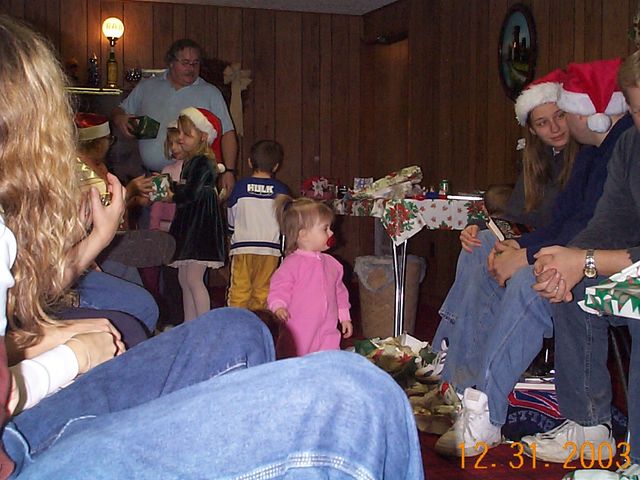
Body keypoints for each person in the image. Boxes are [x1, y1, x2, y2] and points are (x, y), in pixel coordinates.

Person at [0, 15, 424, 479]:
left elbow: (21, 307)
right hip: (20, 448)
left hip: (25, 411)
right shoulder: (157, 108)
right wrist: (71, 356)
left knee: (240, 325)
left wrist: (43, 330)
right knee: (365, 393)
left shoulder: (207, 135)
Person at [432, 60, 632, 458]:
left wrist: (528, 255)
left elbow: (594, 229)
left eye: (563, 113)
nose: (559, 124)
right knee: (485, 251)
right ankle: (457, 381)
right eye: (544, 121)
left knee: (531, 278)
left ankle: (487, 408)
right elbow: (561, 223)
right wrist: (514, 245)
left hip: (610, 262)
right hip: (582, 251)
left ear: (587, 114)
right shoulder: (594, 152)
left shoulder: (614, 147)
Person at [521, 52, 640, 476]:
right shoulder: (630, 144)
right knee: (574, 289)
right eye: (637, 109)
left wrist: (585, 259)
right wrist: (565, 262)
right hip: (631, 265)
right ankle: (590, 427)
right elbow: (608, 222)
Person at [459, 68, 576, 253]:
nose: (555, 128)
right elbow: (515, 215)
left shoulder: (587, 155)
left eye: (560, 116)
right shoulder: (537, 160)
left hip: (565, 246)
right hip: (534, 239)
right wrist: (478, 225)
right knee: (478, 240)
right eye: (542, 123)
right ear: (532, 130)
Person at [111, 38, 237, 197]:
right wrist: (120, 118)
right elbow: (119, 110)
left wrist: (229, 171)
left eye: (195, 63)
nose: (191, 68)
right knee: (157, 212)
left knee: (185, 212)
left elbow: (228, 133)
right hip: (152, 177)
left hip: (192, 181)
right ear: (171, 63)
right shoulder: (147, 87)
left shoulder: (211, 93)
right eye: (185, 63)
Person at [267, 196, 353, 358]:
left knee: (329, 358)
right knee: (296, 358)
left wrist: (344, 317)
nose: (331, 233)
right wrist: (278, 305)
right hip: (299, 329)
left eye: (330, 228)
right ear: (303, 235)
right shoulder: (292, 264)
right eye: (325, 229)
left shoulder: (333, 264)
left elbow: (340, 293)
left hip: (328, 329)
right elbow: (279, 287)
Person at [166, 107, 227, 321]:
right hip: (190, 221)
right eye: (180, 132)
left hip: (200, 225)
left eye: (187, 134)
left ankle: (203, 324)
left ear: (203, 136)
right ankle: (190, 324)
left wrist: (172, 193)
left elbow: (191, 192)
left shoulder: (203, 162)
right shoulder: (191, 161)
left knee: (193, 278)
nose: (181, 138)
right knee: (185, 278)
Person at [226, 140, 289, 309]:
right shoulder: (281, 190)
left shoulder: (240, 187)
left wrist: (231, 231)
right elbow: (285, 220)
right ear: (276, 166)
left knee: (239, 290)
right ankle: (259, 321)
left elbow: (231, 216)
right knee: (263, 292)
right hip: (270, 249)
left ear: (249, 162)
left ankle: (235, 321)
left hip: (243, 247)